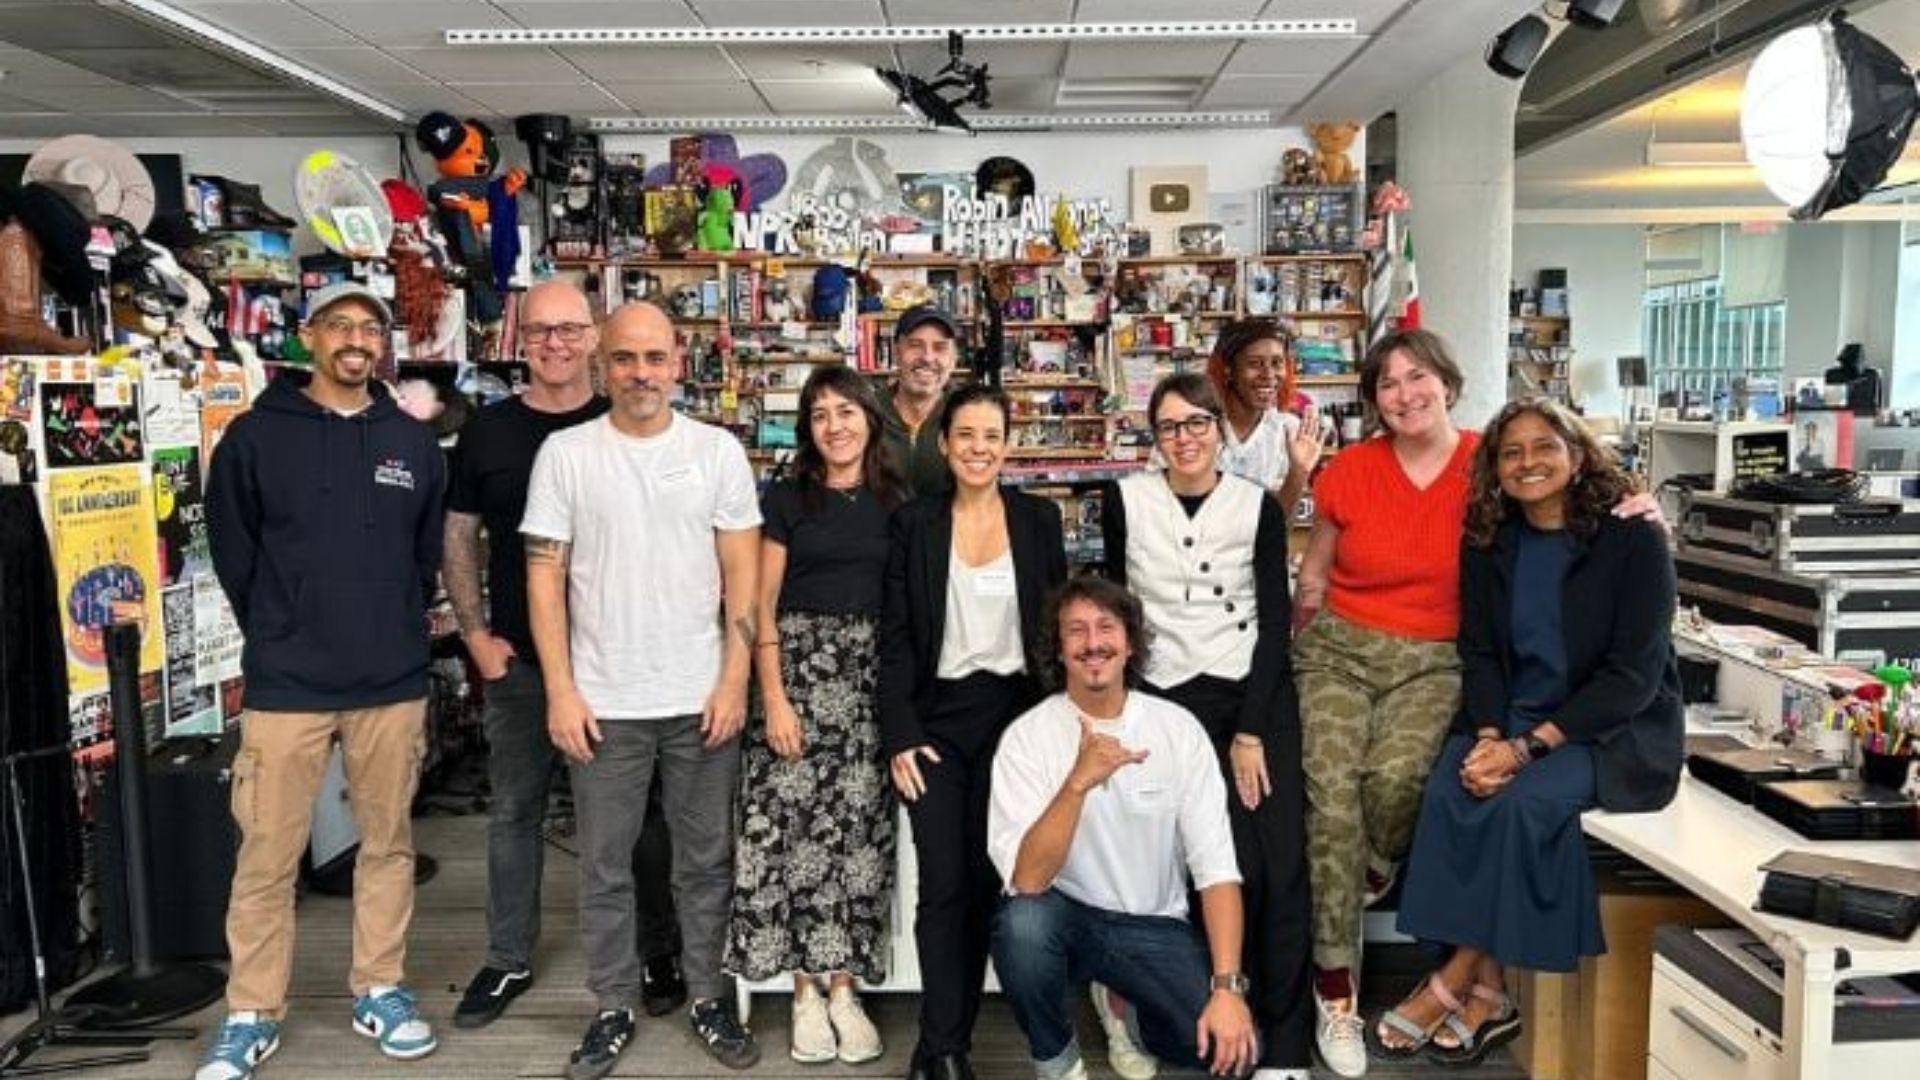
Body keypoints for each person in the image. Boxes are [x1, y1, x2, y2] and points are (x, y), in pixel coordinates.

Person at [1292, 330, 1660, 1079]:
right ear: (1371, 400)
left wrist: (1641, 502)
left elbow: (1601, 627)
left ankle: (1414, 922)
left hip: (1448, 666)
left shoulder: (1500, 474)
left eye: (1418, 376)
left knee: (1398, 785)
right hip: (1356, 653)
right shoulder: (1361, 475)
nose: (1404, 394)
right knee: (1332, 798)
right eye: (1387, 383)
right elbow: (1315, 577)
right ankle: (1340, 990)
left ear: (1449, 384)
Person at [1379, 398, 1682, 1064]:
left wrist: (1523, 749)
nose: (1528, 463)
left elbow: (1631, 678)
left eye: (1545, 446)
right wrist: (1490, 734)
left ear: (1577, 455)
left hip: (1606, 730)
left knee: (1520, 804)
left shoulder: (1632, 538)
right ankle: (1493, 994)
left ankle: (1455, 978)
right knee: (1449, 795)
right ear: (1494, 469)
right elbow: (1481, 651)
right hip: (1510, 713)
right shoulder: (1492, 540)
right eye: (1511, 452)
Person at [200, 282, 446, 1080]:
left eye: (368, 329)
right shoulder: (253, 437)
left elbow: (421, 555)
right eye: (339, 325)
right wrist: (280, 624)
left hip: (391, 677)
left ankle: (381, 987)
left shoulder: (410, 445)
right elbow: (234, 554)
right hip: (286, 680)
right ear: (310, 337)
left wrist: (394, 624)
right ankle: (250, 1012)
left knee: (388, 845)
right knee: (267, 854)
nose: (354, 339)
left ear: (382, 347)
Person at [521, 301, 762, 1079]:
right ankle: (614, 1004)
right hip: (603, 701)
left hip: (700, 700)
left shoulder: (718, 451)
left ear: (677, 363)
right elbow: (544, 576)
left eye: (654, 358)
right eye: (625, 358)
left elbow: (744, 579)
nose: (640, 374)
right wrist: (560, 689)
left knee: (706, 861)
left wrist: (735, 679)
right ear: (602, 363)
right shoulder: (565, 453)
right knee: (603, 865)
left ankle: (708, 997)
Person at [444, 281, 682, 1029]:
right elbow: (459, 537)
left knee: (638, 819)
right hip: (521, 662)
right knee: (515, 810)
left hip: (618, 665)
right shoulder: (489, 432)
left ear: (595, 339)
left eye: (569, 330)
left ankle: (657, 950)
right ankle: (509, 954)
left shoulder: (627, 419)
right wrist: (476, 635)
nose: (554, 343)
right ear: (520, 339)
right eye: (540, 331)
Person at [1099, 373, 1313, 1080]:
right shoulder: (1125, 500)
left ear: (1220, 428)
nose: (1184, 438)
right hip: (1165, 698)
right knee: (1185, 864)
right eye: (1168, 427)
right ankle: (1195, 1020)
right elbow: (1117, 607)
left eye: (1196, 423)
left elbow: (1276, 623)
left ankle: (1281, 1044)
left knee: (1275, 864)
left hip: (1252, 694)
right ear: (1152, 438)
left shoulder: (1257, 507)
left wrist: (1250, 730)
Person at [989, 577, 1259, 1080]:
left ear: (1129, 642)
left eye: (1106, 628)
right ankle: (1058, 1061)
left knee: (1234, 1055)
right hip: (1068, 921)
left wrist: (1227, 989)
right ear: (1059, 648)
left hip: (1154, 928)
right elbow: (1026, 882)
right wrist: (1077, 784)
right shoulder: (1026, 739)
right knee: (1022, 924)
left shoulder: (1177, 729)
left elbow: (1216, 869)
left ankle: (1126, 1012)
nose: (1093, 643)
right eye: (1076, 631)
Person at [880, 383, 1069, 1080]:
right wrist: (899, 732)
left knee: (998, 881)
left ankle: (942, 1047)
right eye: (966, 436)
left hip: (1018, 721)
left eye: (991, 436)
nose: (978, 449)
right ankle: (946, 1044)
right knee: (944, 882)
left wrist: (1061, 729)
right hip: (935, 724)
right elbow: (895, 637)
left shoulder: (1039, 520)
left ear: (1008, 445)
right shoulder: (914, 524)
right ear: (944, 443)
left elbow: (1055, 636)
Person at [726, 366, 905, 1063]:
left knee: (858, 840)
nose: (835, 425)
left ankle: (843, 988)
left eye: (847, 411)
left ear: (870, 419)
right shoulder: (787, 496)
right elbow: (758, 607)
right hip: (795, 676)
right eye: (820, 414)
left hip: (867, 685)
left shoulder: (898, 499)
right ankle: (803, 992)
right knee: (792, 841)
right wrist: (771, 696)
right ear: (807, 427)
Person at [1205, 318, 1323, 512]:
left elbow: (1282, 526)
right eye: (1254, 363)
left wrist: (1298, 472)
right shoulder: (1195, 425)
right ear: (1228, 369)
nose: (1268, 374)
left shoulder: (1288, 432)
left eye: (1277, 363)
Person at [881, 304, 962, 497]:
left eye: (940, 347)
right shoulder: (866, 413)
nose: (927, 357)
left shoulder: (968, 414)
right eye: (915, 345)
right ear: (897, 352)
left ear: (954, 358)